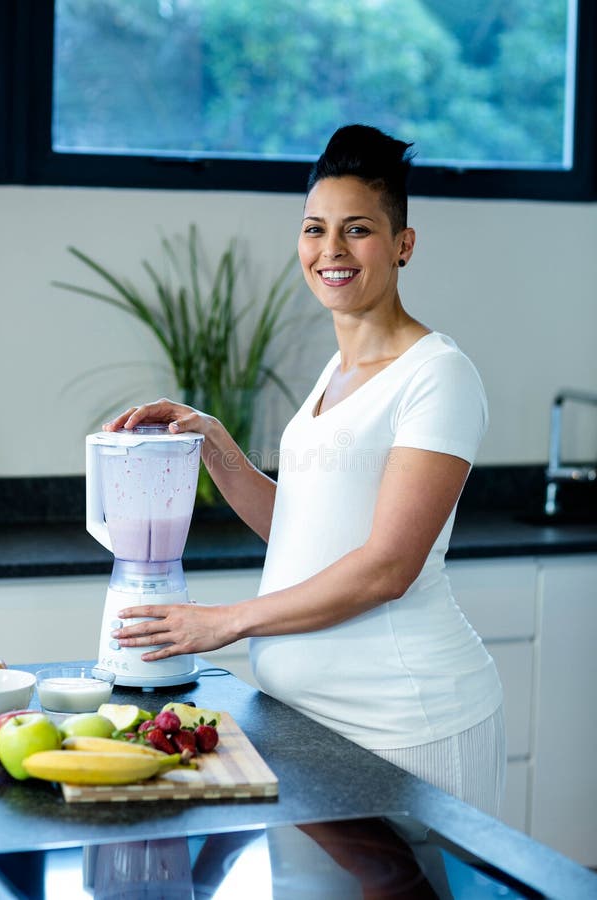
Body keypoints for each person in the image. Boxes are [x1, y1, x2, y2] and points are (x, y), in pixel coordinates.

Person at [105, 124, 506, 816]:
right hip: (306, 724)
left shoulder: (438, 375)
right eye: (315, 229)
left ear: (403, 244)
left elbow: (388, 566)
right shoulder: (336, 373)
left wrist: (226, 622)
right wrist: (213, 441)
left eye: (358, 230)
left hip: (408, 725)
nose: (331, 251)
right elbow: (299, 531)